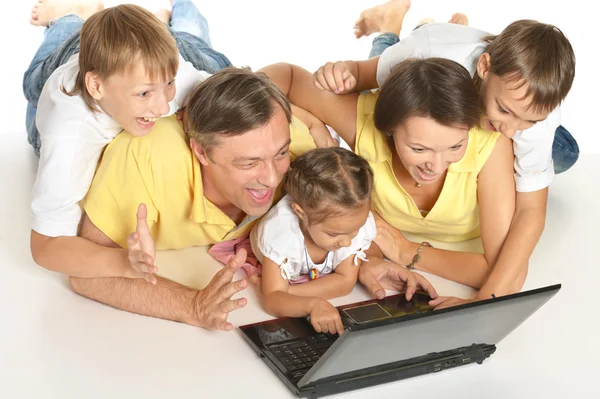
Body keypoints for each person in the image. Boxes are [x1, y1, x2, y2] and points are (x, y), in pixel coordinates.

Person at [68, 67, 438, 330]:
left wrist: (368, 260)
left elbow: (345, 214)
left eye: (280, 153)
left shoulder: (291, 150)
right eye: (248, 163)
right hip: (83, 83)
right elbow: (84, 274)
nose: (274, 177)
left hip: (205, 72)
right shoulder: (144, 157)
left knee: (202, 55)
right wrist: (191, 305)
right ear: (200, 152)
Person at [311, 2, 577, 307]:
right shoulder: (426, 52)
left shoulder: (529, 122)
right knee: (395, 97)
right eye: (504, 109)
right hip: (428, 50)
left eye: (528, 119)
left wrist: (480, 303)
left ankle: (452, 32)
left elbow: (531, 212)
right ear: (485, 67)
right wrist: (341, 75)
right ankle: (389, 26)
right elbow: (364, 76)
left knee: (567, 154)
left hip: (505, 106)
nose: (510, 131)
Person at [260, 57, 516, 308]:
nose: (436, 166)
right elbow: (289, 78)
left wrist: (406, 251)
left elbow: (507, 272)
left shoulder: (490, 146)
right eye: (419, 148)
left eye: (455, 146)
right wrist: (371, 260)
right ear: (391, 130)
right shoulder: (363, 122)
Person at [25, 1, 231, 279]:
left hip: (151, 52)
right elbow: (45, 246)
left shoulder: (168, 74)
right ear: (96, 86)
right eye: (144, 94)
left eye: (168, 84)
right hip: (66, 58)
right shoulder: (69, 133)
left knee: (214, 62)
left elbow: (225, 97)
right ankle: (70, 16)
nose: (161, 108)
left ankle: (164, 17)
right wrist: (121, 262)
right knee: (31, 84)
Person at [252, 147, 378, 335]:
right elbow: (272, 301)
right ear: (301, 213)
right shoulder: (281, 234)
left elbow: (345, 283)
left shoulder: (349, 222)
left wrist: (288, 293)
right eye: (333, 234)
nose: (346, 243)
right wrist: (312, 304)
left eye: (355, 230)